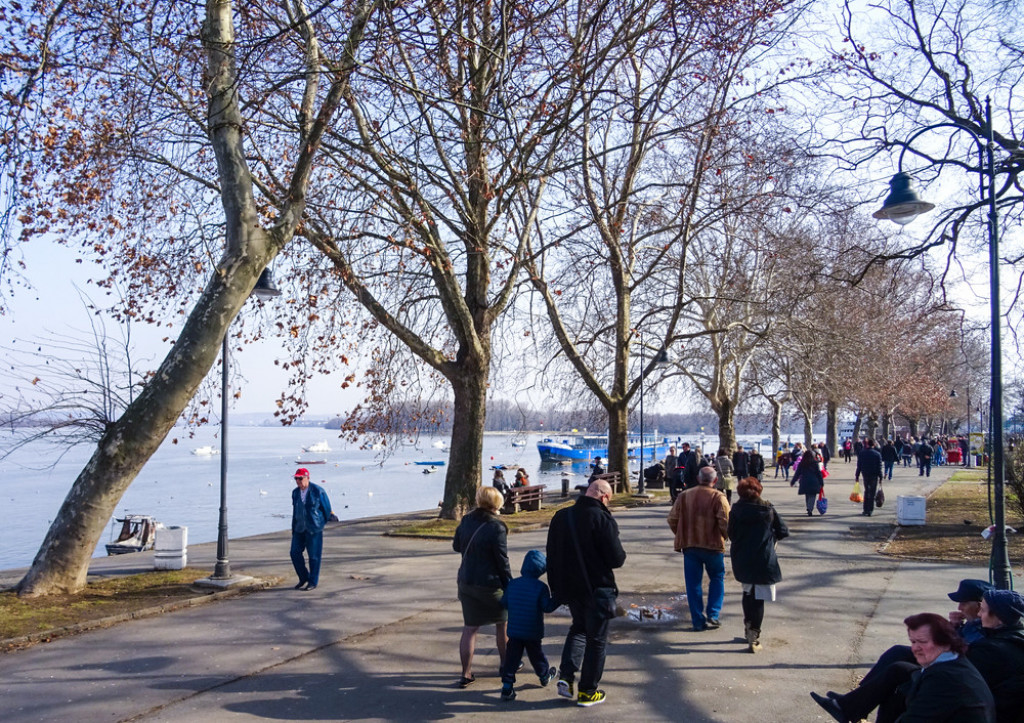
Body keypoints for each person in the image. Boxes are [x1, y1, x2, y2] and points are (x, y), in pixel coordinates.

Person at [811, 612, 995, 723]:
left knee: (900, 689)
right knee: (899, 671)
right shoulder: (953, 661)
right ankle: (848, 707)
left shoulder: (943, 681)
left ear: (945, 642)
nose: (915, 648)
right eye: (913, 642)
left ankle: (849, 708)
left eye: (922, 642)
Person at [546, 479, 626, 707]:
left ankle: (566, 677)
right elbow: (616, 559)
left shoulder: (561, 517)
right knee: (597, 640)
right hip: (597, 588)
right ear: (604, 497)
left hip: (570, 588)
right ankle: (588, 691)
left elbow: (551, 554)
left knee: (578, 628)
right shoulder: (602, 519)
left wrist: (556, 590)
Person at [452, 486, 513, 688]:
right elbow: (502, 561)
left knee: (470, 628)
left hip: (467, 581)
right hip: (490, 584)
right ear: (497, 503)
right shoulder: (497, 527)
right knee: (502, 624)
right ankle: (506, 665)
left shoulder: (467, 520)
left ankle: (466, 673)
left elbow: (456, 546)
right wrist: (510, 585)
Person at [728, 476, 789, 653]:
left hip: (742, 558)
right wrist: (771, 537)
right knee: (759, 598)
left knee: (748, 593)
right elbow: (783, 531)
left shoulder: (736, 510)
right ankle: (754, 637)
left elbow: (731, 534)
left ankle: (748, 628)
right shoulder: (768, 509)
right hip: (764, 558)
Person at [668, 466, 730, 631]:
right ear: (715, 480)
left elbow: (672, 519)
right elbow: (725, 522)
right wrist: (725, 536)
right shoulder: (718, 497)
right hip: (713, 545)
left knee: (693, 583)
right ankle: (713, 613)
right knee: (717, 578)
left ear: (698, 478)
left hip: (690, 546)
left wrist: (682, 533)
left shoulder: (684, 496)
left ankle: (697, 620)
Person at [499, 549, 560, 701]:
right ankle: (544, 675)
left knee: (511, 659)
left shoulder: (513, 584)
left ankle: (507, 686)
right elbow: (547, 607)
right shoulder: (541, 587)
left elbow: (504, 603)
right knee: (536, 655)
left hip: (514, 631)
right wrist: (558, 598)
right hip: (532, 631)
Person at [969, 588, 1024, 722]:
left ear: (999, 617)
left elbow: (960, 685)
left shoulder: (987, 651)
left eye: (982, 610)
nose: (978, 614)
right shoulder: (1017, 639)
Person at [290, 467, 334, 591]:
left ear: (307, 478)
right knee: (294, 553)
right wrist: (294, 527)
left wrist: (319, 524)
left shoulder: (318, 491)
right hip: (299, 529)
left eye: (300, 478)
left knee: (314, 556)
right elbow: (295, 511)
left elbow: (326, 510)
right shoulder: (295, 493)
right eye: (296, 479)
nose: (298, 481)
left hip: (314, 529)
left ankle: (313, 581)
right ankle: (304, 577)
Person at [791, 447, 824, 516]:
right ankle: (810, 508)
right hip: (814, 481)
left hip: (804, 481)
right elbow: (818, 473)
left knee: (807, 495)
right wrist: (821, 482)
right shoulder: (815, 463)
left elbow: (797, 473)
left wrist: (793, 481)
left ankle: (808, 508)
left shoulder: (802, 463)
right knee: (812, 496)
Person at [856, 438, 884, 517]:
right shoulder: (877, 454)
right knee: (872, 492)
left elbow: (859, 465)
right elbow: (879, 467)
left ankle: (865, 509)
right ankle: (870, 510)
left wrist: (857, 475)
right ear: (874, 445)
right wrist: (880, 476)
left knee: (866, 491)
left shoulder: (862, 453)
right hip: (874, 475)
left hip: (865, 474)